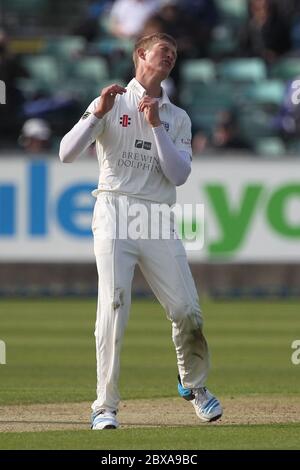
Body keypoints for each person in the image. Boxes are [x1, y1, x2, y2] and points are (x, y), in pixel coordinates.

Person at [59, 32, 222, 430]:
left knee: (187, 310)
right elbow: (66, 153)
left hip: (156, 217)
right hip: (114, 208)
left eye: (174, 54)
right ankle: (104, 406)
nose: (169, 56)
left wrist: (156, 126)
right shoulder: (112, 101)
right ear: (140, 56)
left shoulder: (177, 116)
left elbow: (179, 175)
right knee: (113, 307)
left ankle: (193, 385)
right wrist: (97, 112)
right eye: (162, 51)